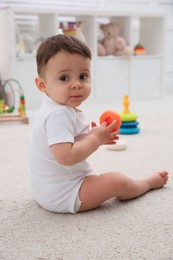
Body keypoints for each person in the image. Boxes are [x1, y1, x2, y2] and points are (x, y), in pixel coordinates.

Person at [29, 34, 169, 214]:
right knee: (116, 181)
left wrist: (94, 136)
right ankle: (148, 183)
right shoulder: (59, 114)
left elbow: (66, 142)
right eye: (64, 78)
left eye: (83, 76)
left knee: (102, 180)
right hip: (65, 194)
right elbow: (65, 157)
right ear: (42, 85)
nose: (76, 84)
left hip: (47, 190)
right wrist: (95, 138)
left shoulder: (53, 106)